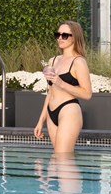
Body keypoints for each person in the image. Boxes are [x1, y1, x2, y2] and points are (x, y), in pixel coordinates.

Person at [34, 21, 92, 153]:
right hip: (51, 112)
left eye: (65, 35)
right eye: (58, 34)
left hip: (68, 110)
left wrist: (61, 83)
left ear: (75, 37)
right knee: (58, 160)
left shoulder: (78, 62)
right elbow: (50, 93)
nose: (60, 38)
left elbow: (87, 94)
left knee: (62, 158)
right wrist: (40, 120)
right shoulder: (53, 61)